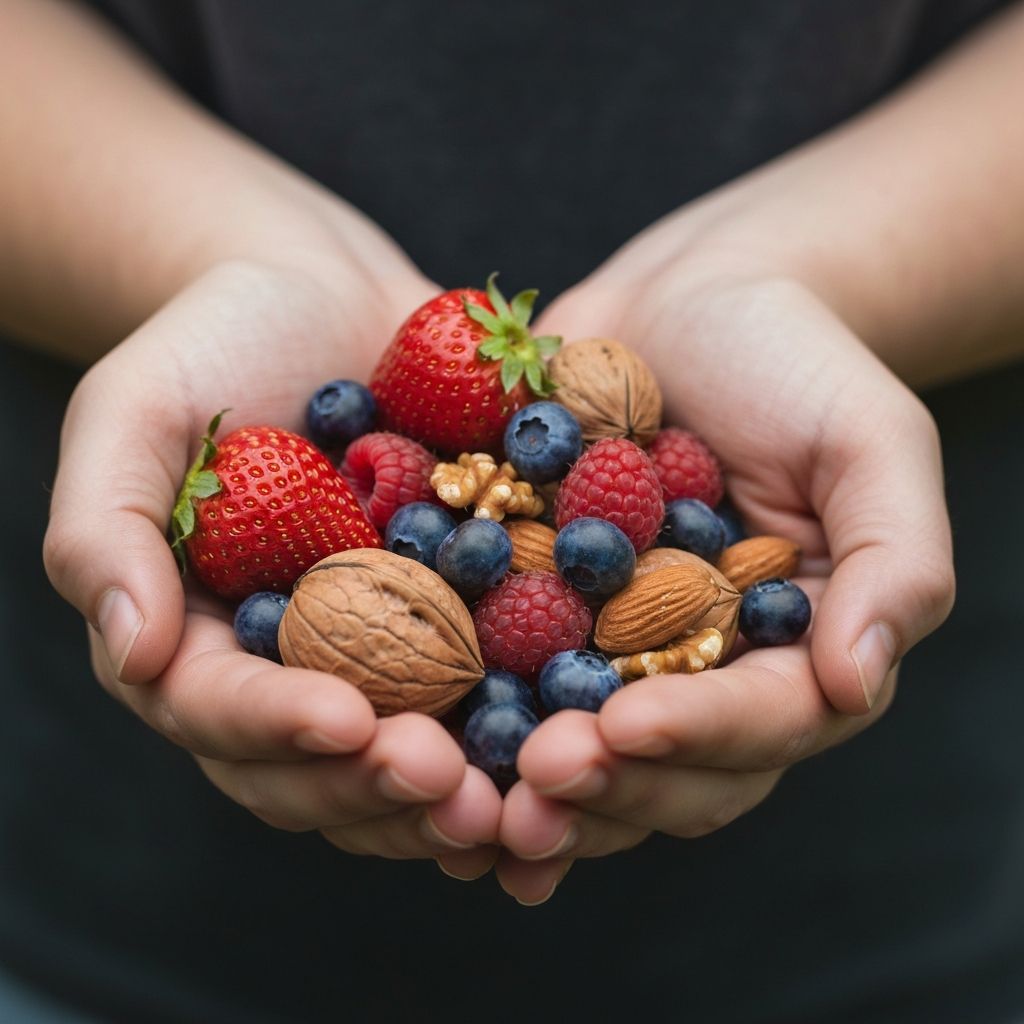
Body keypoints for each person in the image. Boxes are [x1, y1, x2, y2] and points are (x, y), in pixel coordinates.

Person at [1, 0, 1022, 1020]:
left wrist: (811, 277)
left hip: (879, 899)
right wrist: (215, 261)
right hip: (130, 901)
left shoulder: (613, 520)